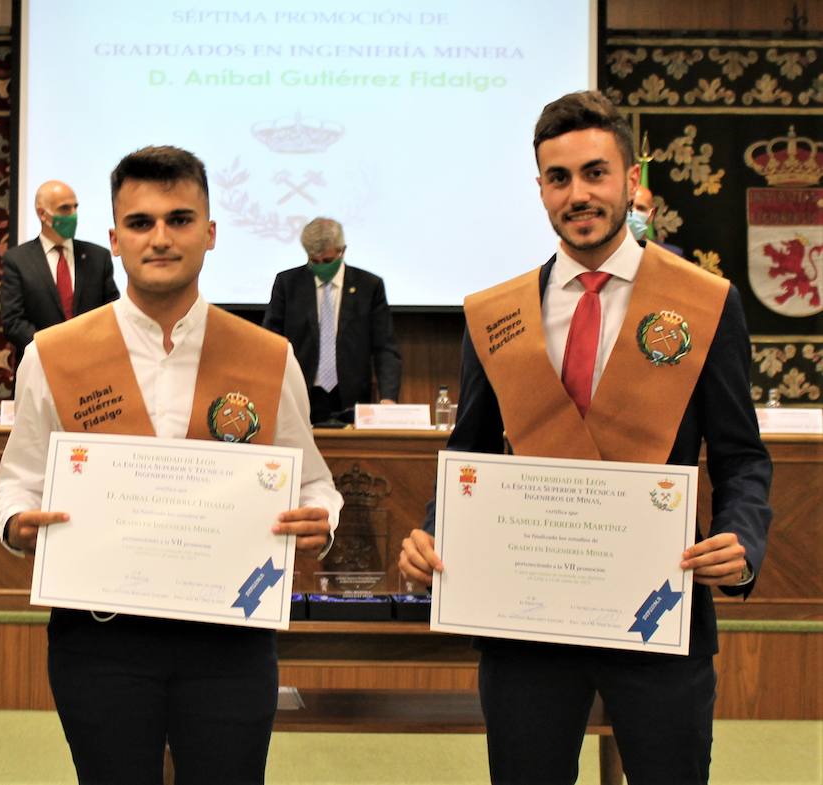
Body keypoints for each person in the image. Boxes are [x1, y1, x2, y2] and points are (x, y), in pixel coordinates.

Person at [399, 90, 771, 785]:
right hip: (527, 619)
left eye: (596, 173)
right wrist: (433, 528)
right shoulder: (496, 314)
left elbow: (742, 455)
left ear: (632, 181)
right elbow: (471, 452)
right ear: (540, 188)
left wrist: (743, 538)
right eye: (559, 178)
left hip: (660, 610)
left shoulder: (702, 301)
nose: (579, 194)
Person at [0, 146, 342, 784]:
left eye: (180, 220)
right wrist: (17, 524)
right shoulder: (53, 355)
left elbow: (313, 477)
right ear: (114, 239)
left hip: (230, 639)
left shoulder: (268, 357)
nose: (160, 238)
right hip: (100, 639)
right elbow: (15, 481)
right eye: (141, 223)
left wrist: (322, 515)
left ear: (210, 234)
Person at [263, 217, 402, 423]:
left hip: (351, 399)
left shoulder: (369, 286)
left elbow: (384, 348)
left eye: (327, 261)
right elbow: (270, 342)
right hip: (300, 396)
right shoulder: (288, 284)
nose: (321, 267)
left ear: (342, 250)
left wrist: (388, 398)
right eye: (314, 261)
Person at [0, 179, 120, 359]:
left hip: (92, 366)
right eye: (65, 209)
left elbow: (111, 314)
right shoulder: (17, 260)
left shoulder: (98, 257)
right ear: (42, 214)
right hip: (40, 367)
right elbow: (13, 322)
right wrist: (57, 349)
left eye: (75, 207)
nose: (73, 215)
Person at [629, 182, 685, 256]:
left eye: (641, 208)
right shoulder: (608, 253)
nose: (633, 212)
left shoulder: (671, 255)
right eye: (628, 206)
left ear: (651, 215)